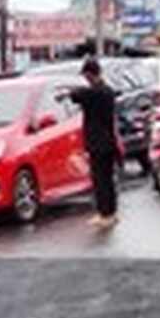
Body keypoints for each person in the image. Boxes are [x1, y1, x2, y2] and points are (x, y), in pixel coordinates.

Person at [63, 57, 119, 228]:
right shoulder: (108, 91)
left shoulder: (94, 93)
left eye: (86, 75)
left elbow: (75, 95)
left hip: (98, 143)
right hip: (109, 140)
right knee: (108, 179)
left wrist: (66, 92)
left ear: (90, 74)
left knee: (100, 179)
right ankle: (111, 212)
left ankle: (104, 214)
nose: (85, 78)